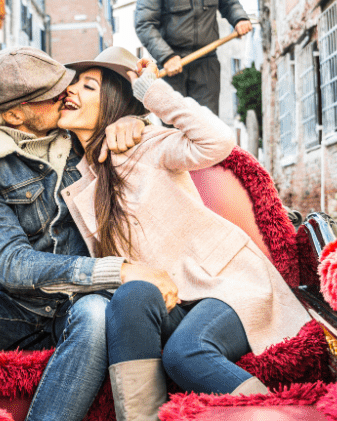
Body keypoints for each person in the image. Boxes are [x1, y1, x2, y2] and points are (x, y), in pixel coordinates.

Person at [0, 47, 173, 421]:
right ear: (16, 114)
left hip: (81, 303)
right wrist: (118, 271)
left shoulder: (80, 138)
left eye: (65, 84)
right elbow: (12, 266)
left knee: (97, 312)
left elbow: (143, 137)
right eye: (54, 94)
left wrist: (137, 121)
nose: (67, 94)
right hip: (10, 309)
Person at [57, 47, 311, 421]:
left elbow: (216, 141)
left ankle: (282, 417)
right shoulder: (79, 177)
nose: (71, 91)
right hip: (175, 300)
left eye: (88, 86)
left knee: (185, 352)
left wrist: (151, 97)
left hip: (226, 284)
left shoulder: (149, 144)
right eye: (72, 84)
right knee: (130, 296)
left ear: (111, 101)